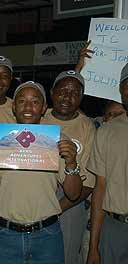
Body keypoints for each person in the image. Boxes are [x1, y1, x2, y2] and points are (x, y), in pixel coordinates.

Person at [0, 81, 84, 264]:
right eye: (21, 101)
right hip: (5, 234)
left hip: (47, 235)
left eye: (35, 102)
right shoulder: (0, 139)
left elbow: (73, 194)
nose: (28, 107)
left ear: (43, 108)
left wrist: (71, 161)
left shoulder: (57, 141)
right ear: (13, 106)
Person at [42, 70, 96, 264]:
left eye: (75, 92)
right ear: (51, 92)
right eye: (62, 90)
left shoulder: (88, 127)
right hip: (36, 198)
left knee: (66, 258)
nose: (67, 96)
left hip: (70, 202)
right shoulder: (37, 117)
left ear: (81, 98)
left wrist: (57, 207)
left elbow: (90, 182)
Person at [86, 63, 128, 264]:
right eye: (127, 84)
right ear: (121, 90)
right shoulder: (107, 131)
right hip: (115, 229)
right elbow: (99, 189)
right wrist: (93, 246)